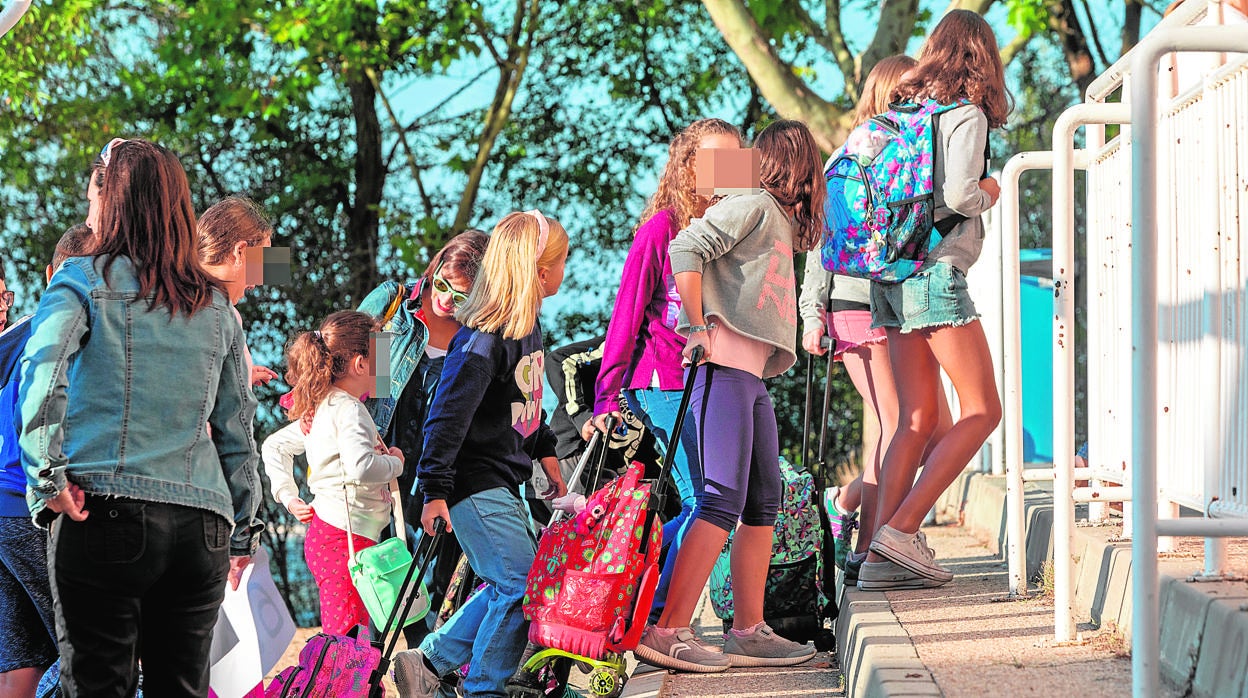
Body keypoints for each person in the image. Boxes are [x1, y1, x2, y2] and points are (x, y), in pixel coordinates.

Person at [18, 138, 263, 697]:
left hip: (102, 513)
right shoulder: (216, 304)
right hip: (201, 526)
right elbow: (236, 428)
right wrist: (243, 531)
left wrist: (47, 479)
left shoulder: (80, 278)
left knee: (99, 684)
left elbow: (41, 378)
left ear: (108, 200)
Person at [634, 120, 825, 673]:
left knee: (764, 502)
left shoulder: (778, 220)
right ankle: (667, 628)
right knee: (717, 499)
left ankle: (748, 629)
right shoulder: (754, 204)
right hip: (721, 370)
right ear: (799, 166)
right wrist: (695, 326)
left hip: (752, 378)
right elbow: (685, 246)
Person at [266, 231, 491, 644]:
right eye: (442, 284)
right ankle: (368, 673)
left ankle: (420, 669)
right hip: (382, 455)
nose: (446, 300)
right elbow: (351, 359)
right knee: (378, 588)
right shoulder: (398, 307)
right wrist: (310, 405)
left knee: (429, 586)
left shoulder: (478, 331)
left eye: (461, 296)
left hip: (436, 463)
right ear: (435, 267)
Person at [392, 210, 569, 698]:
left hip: (500, 480)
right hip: (471, 483)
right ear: (537, 270)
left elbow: (527, 407)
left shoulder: (525, 330)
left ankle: (429, 662)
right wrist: (434, 493)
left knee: (509, 582)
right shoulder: (480, 341)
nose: (563, 272)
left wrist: (547, 454)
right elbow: (444, 420)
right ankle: (484, 689)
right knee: (518, 585)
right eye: (560, 263)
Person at [861, 9, 1009, 588]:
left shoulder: (901, 115)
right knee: (982, 410)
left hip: (888, 276)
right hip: (934, 273)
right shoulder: (965, 114)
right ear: (982, 59)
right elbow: (960, 195)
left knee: (915, 419)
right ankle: (901, 530)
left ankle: (874, 559)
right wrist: (993, 189)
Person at [798, 55, 954, 581]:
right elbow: (823, 241)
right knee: (901, 422)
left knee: (934, 427)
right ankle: (872, 548)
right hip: (862, 306)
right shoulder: (870, 153)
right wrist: (810, 313)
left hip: (889, 303)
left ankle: (851, 510)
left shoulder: (886, 152)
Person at [584, 118, 744, 623]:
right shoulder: (660, 231)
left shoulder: (733, 227)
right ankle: (650, 616)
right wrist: (606, 398)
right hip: (663, 383)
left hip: (715, 381)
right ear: (690, 165)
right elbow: (625, 316)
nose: (729, 171)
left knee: (715, 502)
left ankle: (649, 606)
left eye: (737, 159)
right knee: (705, 499)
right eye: (717, 160)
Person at [262, 310, 405, 635]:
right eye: (382, 354)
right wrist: (396, 462)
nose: (388, 365)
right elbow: (361, 466)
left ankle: (358, 684)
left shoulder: (326, 406)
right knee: (345, 641)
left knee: (351, 636)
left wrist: (288, 495)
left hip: (337, 538)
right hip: (344, 541)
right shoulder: (349, 410)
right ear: (360, 364)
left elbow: (273, 446)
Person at [0, 225, 93, 698]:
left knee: (21, 656)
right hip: (28, 501)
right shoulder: (60, 331)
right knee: (84, 641)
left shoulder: (13, 337)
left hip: (2, 506)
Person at [197, 195, 279, 388]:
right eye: (259, 264)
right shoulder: (223, 315)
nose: (258, 281)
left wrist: (238, 376)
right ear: (240, 251)